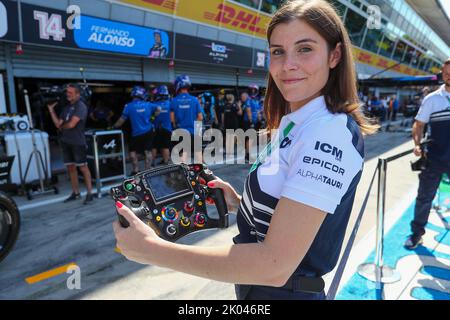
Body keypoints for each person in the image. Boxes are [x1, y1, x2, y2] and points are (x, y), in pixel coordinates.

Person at [113, 0, 377, 300]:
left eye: (305, 49)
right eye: (278, 51)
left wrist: (152, 250)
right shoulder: (299, 122)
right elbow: (290, 211)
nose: (288, 64)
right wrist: (241, 203)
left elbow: (274, 266)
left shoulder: (327, 132)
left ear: (335, 55)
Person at [405, 59, 450, 250]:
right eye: (447, 73)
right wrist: (417, 144)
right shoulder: (432, 99)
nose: (449, 76)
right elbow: (419, 124)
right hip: (434, 158)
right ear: (442, 73)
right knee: (424, 198)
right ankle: (416, 234)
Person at [47, 83, 94, 205]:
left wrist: (61, 127)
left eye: (70, 93)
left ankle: (90, 194)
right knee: (71, 168)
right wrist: (51, 111)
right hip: (66, 142)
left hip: (78, 142)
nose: (68, 95)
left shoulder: (81, 106)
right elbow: (58, 124)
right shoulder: (66, 108)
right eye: (67, 93)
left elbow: (72, 124)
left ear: (77, 94)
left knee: (83, 168)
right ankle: (76, 193)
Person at [112, 86, 160, 175]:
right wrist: (153, 117)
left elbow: (121, 120)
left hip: (136, 133)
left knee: (132, 152)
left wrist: (113, 127)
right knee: (147, 151)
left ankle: (135, 170)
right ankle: (147, 170)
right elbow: (159, 108)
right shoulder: (148, 104)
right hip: (148, 131)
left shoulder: (129, 106)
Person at [170, 75, 204, 163]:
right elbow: (200, 117)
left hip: (181, 132)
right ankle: (200, 173)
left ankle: (184, 174)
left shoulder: (174, 101)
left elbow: (172, 120)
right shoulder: (194, 100)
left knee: (183, 154)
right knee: (198, 154)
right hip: (194, 131)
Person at [151, 85, 172, 166]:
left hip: (155, 128)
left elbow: (151, 117)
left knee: (154, 146)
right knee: (165, 146)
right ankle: (166, 162)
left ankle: (151, 163)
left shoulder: (153, 104)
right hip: (167, 128)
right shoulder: (170, 104)